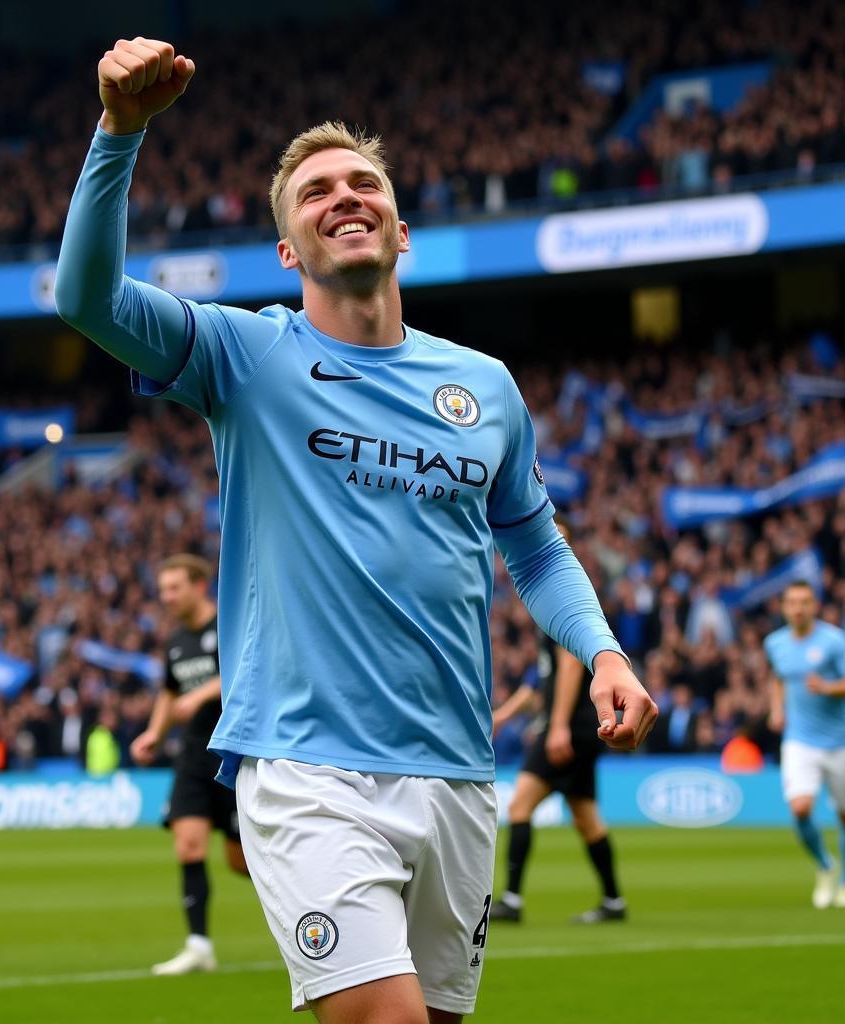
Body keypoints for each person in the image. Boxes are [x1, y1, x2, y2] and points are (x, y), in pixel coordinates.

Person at [56, 37, 657, 1024]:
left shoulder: (485, 387)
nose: (343, 194)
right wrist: (120, 132)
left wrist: (601, 653)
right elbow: (86, 300)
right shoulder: (242, 354)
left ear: (399, 227)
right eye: (316, 190)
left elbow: (535, 545)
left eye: (362, 181)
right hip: (308, 767)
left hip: (459, 771)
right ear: (289, 248)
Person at [490, 522, 627, 926]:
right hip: (583, 726)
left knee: (520, 805)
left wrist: (558, 726)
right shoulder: (553, 602)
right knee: (586, 817)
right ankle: (614, 901)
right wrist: (504, 715)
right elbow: (541, 681)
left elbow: (569, 664)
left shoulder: (562, 599)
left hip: (572, 724)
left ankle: (512, 899)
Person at [130, 554, 247, 974]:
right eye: (163, 589)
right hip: (194, 753)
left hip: (235, 752)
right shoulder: (176, 641)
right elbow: (168, 691)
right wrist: (153, 734)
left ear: (200, 586)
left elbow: (242, 670)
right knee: (188, 844)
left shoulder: (231, 623)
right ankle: (198, 945)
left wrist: (200, 696)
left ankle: (317, 902)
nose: (167, 597)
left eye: (174, 587)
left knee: (242, 861)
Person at [765, 580, 845, 909]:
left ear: (814, 606)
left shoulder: (834, 640)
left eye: (804, 602)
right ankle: (825, 864)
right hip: (800, 741)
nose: (798, 608)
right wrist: (778, 709)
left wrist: (826, 688)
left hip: (841, 742)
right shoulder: (775, 643)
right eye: (792, 602)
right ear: (783, 607)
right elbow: (779, 677)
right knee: (800, 808)